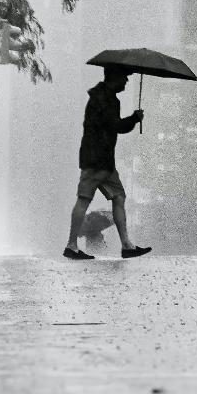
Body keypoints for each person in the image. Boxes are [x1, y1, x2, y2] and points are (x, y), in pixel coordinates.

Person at [64, 65, 152, 260]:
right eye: (124, 78)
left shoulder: (100, 97)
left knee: (118, 196)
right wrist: (134, 119)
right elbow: (116, 126)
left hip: (98, 159)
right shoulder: (107, 100)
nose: (127, 82)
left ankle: (126, 245)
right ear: (115, 77)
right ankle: (72, 245)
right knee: (85, 199)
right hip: (98, 159)